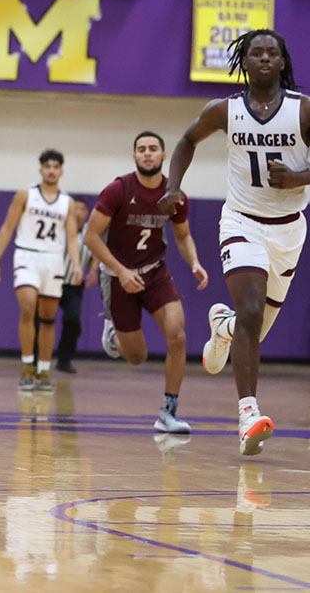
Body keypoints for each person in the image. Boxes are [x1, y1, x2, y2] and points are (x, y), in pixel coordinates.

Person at [158, 29, 310, 455]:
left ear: (282, 62)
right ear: (245, 61)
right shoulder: (224, 111)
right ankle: (248, 415)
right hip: (241, 222)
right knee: (250, 309)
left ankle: (221, 328)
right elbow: (187, 140)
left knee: (253, 330)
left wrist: (299, 177)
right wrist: (172, 187)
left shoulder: (303, 111)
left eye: (272, 53)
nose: (264, 58)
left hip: (288, 229)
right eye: (256, 52)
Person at [85, 131, 209, 435]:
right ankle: (113, 331)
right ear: (134, 156)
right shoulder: (117, 190)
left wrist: (194, 261)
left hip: (155, 272)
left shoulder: (174, 194)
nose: (147, 153)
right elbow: (90, 237)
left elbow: (182, 235)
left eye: (153, 148)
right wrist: (121, 271)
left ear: (164, 156)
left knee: (177, 336)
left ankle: (168, 412)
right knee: (137, 357)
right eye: (141, 149)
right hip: (117, 276)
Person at [0, 150, 83, 392]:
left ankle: (43, 370)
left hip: (54, 261)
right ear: (41, 169)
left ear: (61, 171)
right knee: (28, 307)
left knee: (48, 318)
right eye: (47, 166)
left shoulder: (67, 203)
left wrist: (77, 264)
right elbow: (8, 228)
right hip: (27, 255)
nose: (51, 170)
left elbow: (72, 238)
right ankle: (27, 365)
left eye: (55, 166)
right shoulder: (25, 194)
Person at [54, 196, 100, 374]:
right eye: (75, 209)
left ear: (87, 212)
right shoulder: (59, 228)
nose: (78, 213)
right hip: (53, 281)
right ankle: (35, 360)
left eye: (82, 209)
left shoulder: (91, 231)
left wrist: (92, 271)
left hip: (74, 285)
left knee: (73, 321)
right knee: (41, 320)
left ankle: (64, 360)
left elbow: (95, 252)